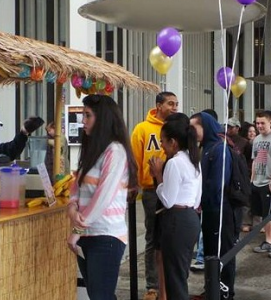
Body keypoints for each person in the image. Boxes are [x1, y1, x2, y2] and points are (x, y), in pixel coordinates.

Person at [66, 94, 137, 300]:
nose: (83, 121)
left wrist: (77, 229)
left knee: (100, 296)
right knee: (100, 295)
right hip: (87, 236)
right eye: (83, 115)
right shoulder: (92, 150)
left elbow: (103, 196)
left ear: (103, 118)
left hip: (107, 237)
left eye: (87, 115)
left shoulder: (115, 151)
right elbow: (76, 187)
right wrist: (71, 207)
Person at [131, 91, 178, 300]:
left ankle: (170, 282)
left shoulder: (175, 128)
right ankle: (152, 286)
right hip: (151, 191)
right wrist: (134, 184)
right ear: (158, 105)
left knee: (171, 237)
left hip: (174, 189)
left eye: (176, 104)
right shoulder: (142, 129)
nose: (174, 107)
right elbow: (134, 160)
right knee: (153, 238)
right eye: (170, 103)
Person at [149, 114, 201, 300]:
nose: (161, 145)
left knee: (174, 278)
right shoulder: (194, 160)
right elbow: (197, 199)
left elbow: (168, 200)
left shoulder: (174, 163)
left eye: (163, 141)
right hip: (191, 219)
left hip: (176, 220)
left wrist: (158, 175)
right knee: (180, 274)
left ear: (173, 142)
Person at [190, 112, 236, 300]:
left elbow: (218, 184)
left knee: (222, 252)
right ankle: (212, 289)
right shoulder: (205, 147)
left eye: (194, 128)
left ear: (205, 126)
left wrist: (202, 199)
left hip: (220, 210)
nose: (191, 132)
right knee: (210, 251)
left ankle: (225, 291)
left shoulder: (219, 149)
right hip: (209, 210)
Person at [250, 111, 271, 254]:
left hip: (267, 182)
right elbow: (255, 159)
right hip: (257, 181)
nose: (259, 126)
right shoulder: (256, 139)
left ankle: (268, 241)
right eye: (257, 123)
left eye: (263, 123)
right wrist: (251, 178)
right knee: (261, 213)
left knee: (267, 215)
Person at [239, 121, 258, 232]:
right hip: (247, 174)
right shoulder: (245, 144)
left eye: (254, 131)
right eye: (250, 131)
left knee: (256, 200)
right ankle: (246, 222)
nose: (252, 133)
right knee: (247, 200)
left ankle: (257, 223)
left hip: (257, 174)